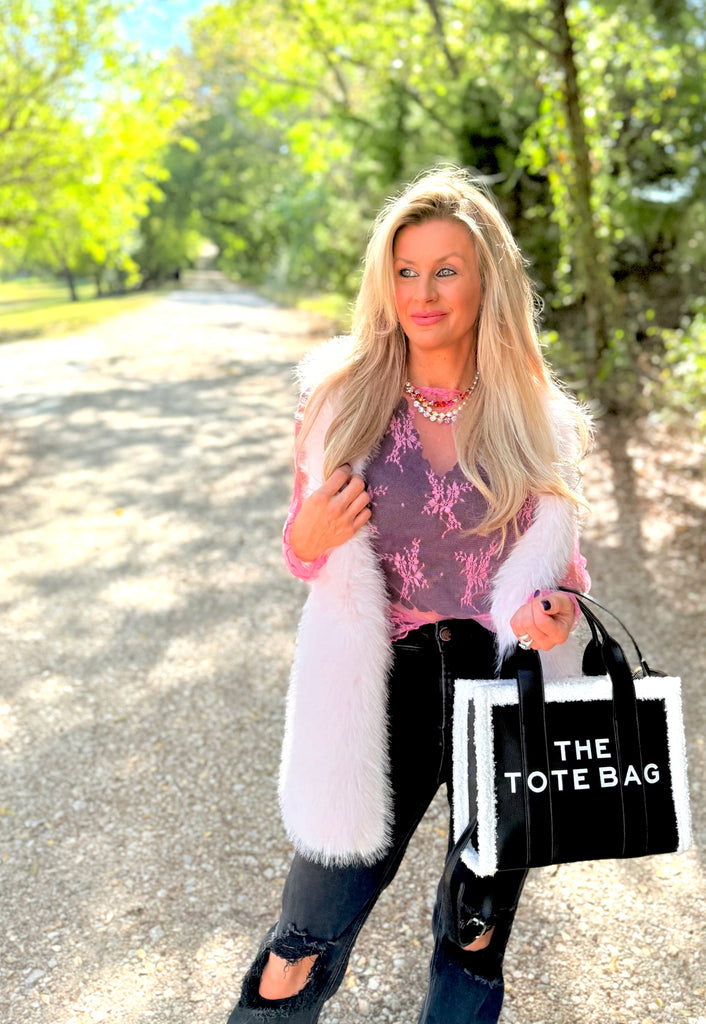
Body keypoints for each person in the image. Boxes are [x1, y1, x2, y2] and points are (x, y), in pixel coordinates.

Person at [227, 167, 592, 1024]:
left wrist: (558, 613)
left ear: (486, 281)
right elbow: (303, 547)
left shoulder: (537, 416)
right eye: (405, 271)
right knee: (301, 939)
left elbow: (566, 572)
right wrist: (307, 538)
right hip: (379, 679)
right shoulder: (340, 401)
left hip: (501, 686)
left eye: (446, 270)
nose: (422, 293)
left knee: (475, 935)